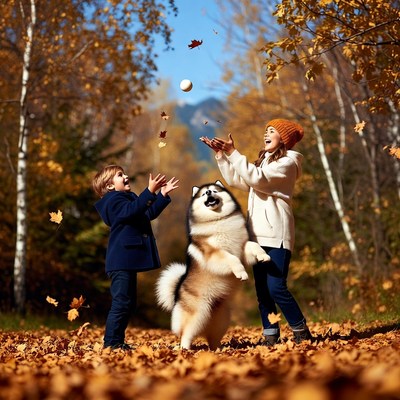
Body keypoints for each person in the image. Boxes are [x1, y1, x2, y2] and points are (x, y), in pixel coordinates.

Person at [200, 119, 313, 345]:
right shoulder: (266, 163)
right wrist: (221, 156)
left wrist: (233, 151)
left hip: (277, 235)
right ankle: (270, 335)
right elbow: (238, 179)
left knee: (276, 287)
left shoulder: (287, 164)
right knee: (263, 291)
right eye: (266, 130)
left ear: (284, 138)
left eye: (272, 131)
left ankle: (301, 330)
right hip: (257, 236)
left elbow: (256, 179)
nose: (266, 134)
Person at [92, 165, 179, 350]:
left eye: (124, 173)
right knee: (121, 302)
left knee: (127, 303)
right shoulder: (112, 201)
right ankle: (111, 343)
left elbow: (146, 213)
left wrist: (162, 195)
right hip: (120, 261)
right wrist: (149, 191)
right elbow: (133, 209)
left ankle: (117, 341)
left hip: (126, 261)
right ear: (109, 186)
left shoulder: (126, 200)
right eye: (120, 175)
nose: (126, 176)